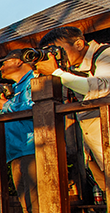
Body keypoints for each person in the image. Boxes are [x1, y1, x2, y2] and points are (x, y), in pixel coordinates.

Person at [36, 26, 110, 192]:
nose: (54, 56)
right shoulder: (71, 71)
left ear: (78, 44)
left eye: (57, 50)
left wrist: (57, 72)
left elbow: (100, 87)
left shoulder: (105, 54)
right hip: (95, 148)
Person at [0, 49, 41, 213]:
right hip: (17, 151)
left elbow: (33, 110)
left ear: (19, 61)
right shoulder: (18, 88)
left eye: (3, 62)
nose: (1, 67)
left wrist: (6, 107)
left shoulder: (34, 80)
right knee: (27, 202)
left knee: (37, 201)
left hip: (31, 147)